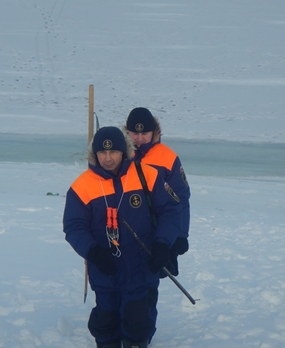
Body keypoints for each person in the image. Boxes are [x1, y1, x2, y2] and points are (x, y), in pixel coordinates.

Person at [63, 126, 182, 348]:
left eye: (114, 152)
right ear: (94, 154)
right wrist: (93, 252)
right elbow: (74, 226)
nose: (108, 159)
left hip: (141, 265)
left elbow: (171, 210)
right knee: (106, 321)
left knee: (138, 321)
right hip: (105, 268)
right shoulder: (82, 186)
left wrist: (163, 244)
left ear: (124, 152)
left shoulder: (147, 174)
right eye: (102, 153)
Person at [124, 107, 191, 277]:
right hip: (128, 228)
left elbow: (181, 197)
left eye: (144, 134)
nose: (139, 139)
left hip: (159, 230)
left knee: (149, 280)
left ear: (153, 132)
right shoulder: (120, 155)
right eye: (134, 134)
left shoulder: (167, 157)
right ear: (127, 132)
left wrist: (181, 234)